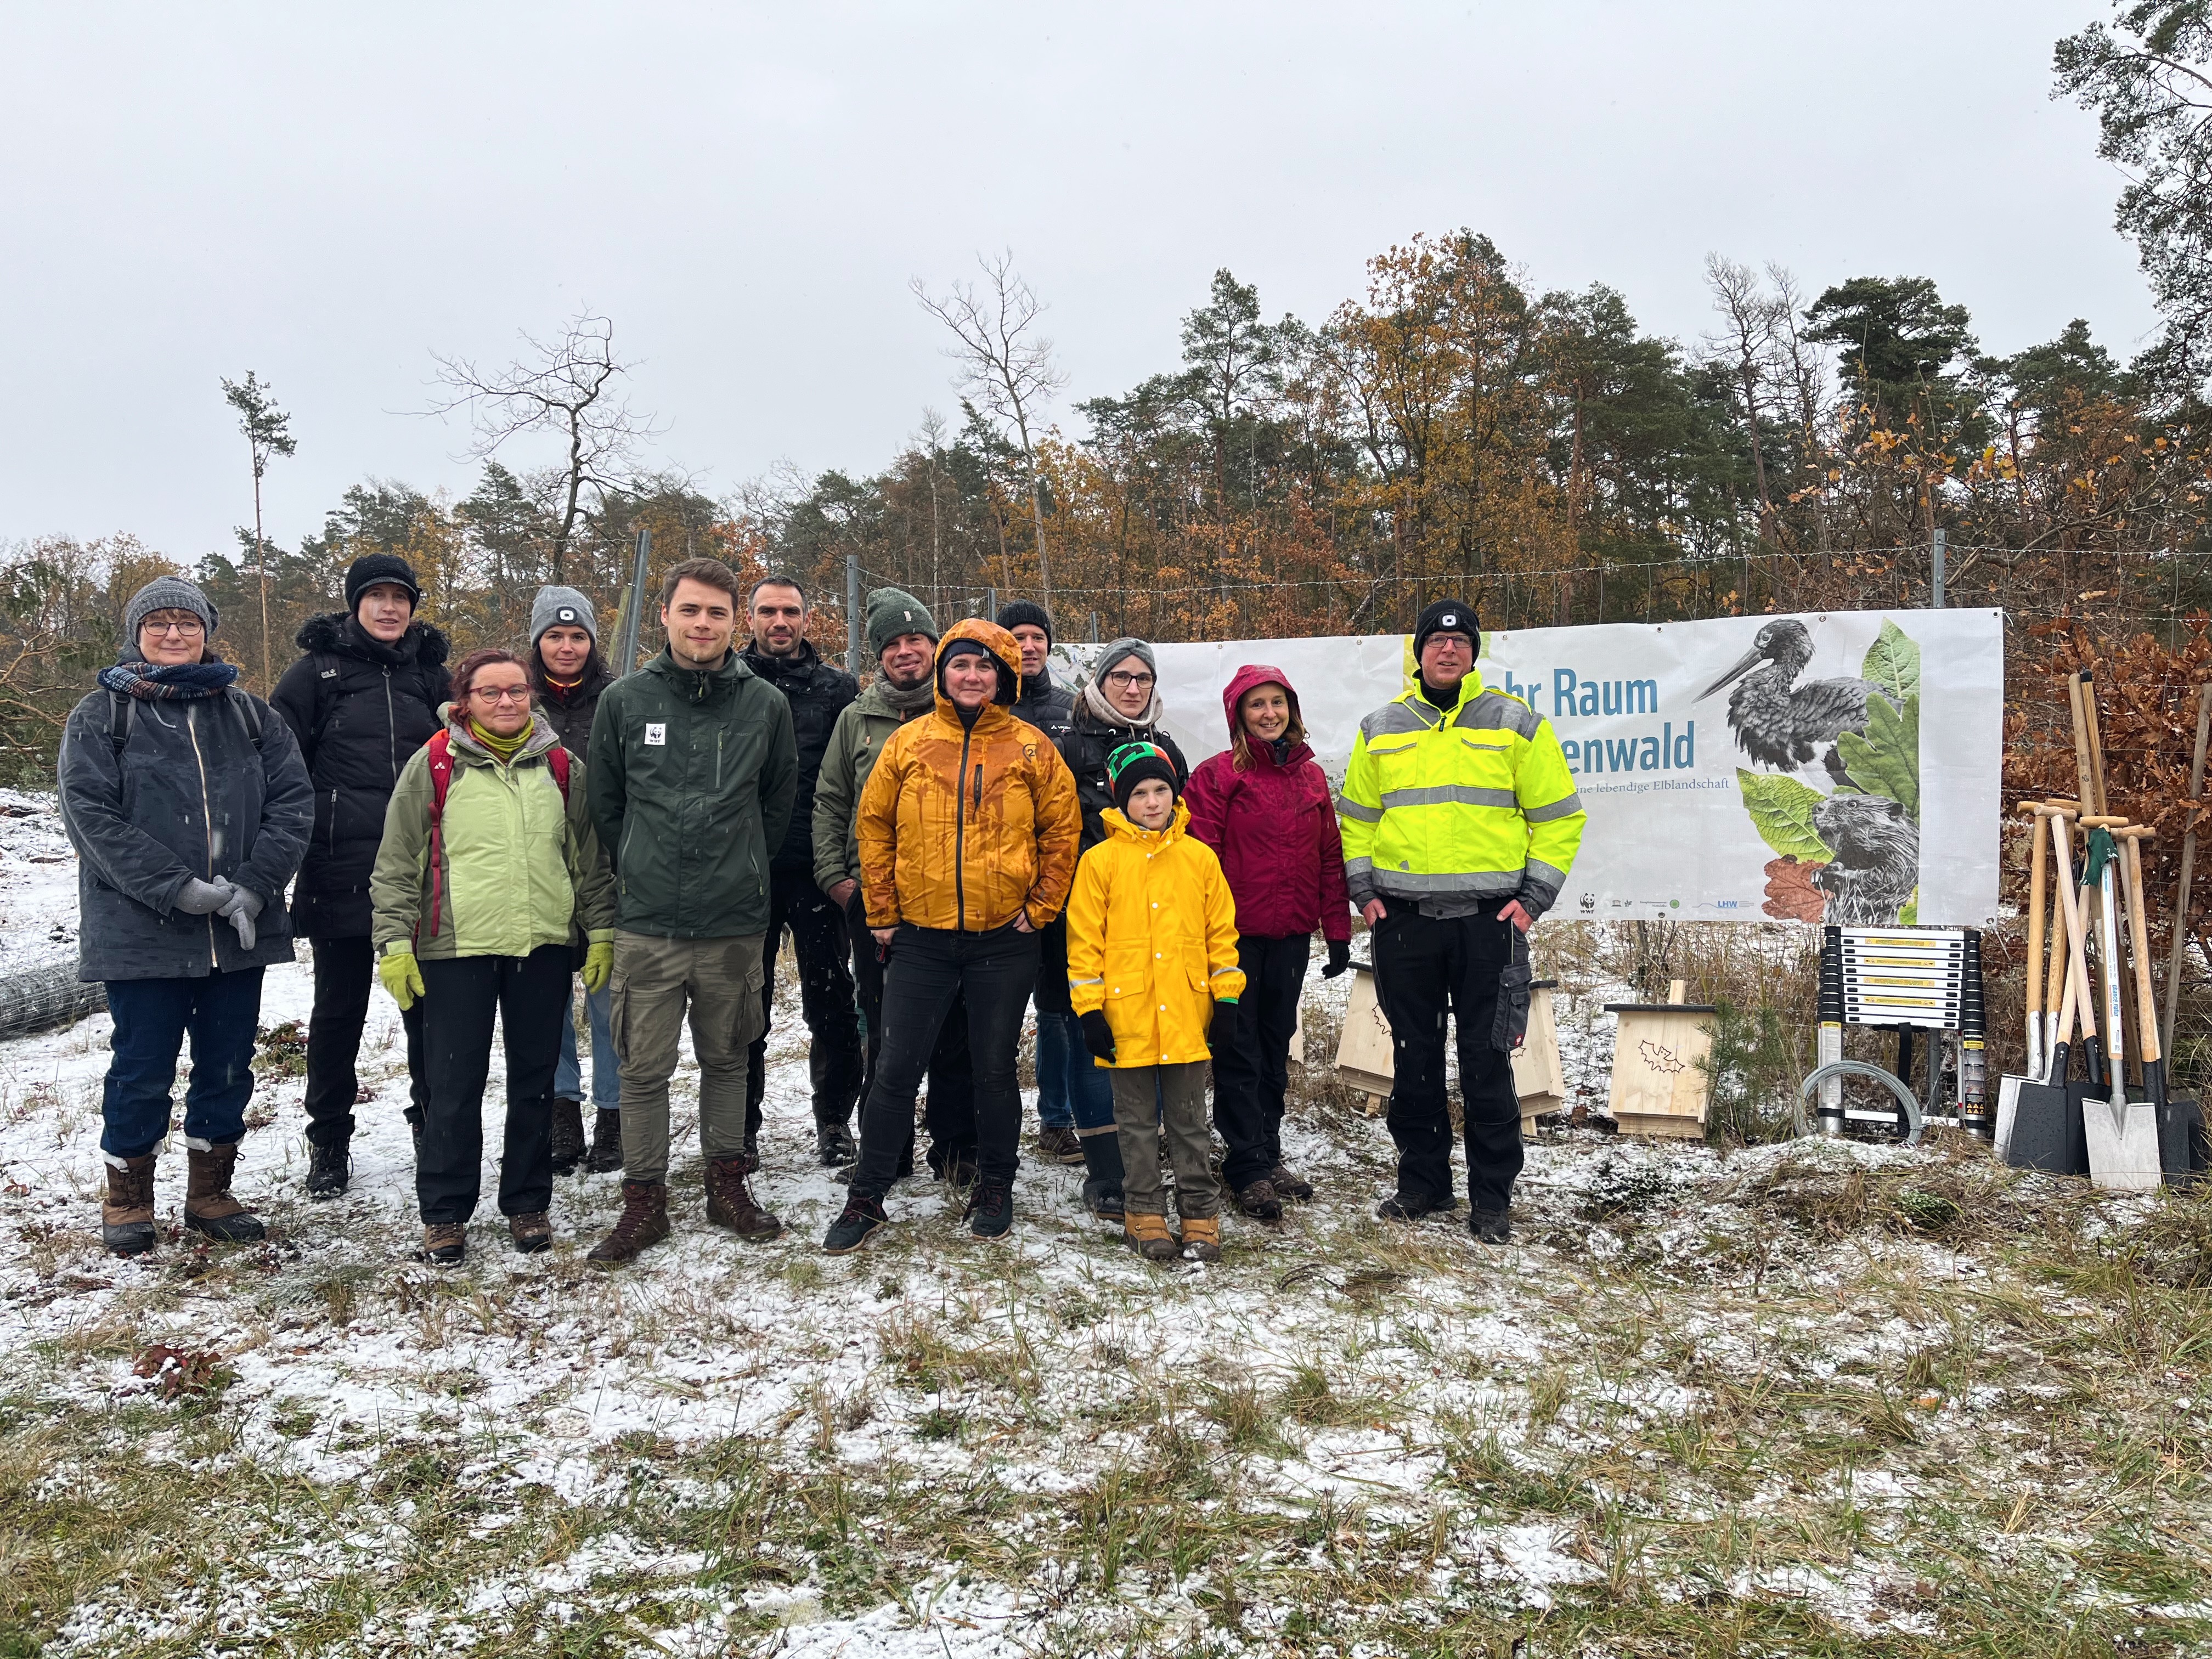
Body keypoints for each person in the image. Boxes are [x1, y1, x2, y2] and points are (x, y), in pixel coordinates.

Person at [57, 577, 313, 1256]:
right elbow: (92, 819)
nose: (174, 634)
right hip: (140, 931)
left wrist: (255, 887)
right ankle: (128, 1198)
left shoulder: (253, 716)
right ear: (136, 633)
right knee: (142, 1064)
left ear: (207, 631)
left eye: (187, 622)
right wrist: (178, 889)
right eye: (159, 623)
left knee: (228, 1064)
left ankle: (209, 1193)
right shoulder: (101, 715)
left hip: (238, 931)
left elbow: (294, 804)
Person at [820, 620, 1081, 1254]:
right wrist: (881, 910)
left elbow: (1062, 832)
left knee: (993, 1070)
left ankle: (995, 1185)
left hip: (1003, 941)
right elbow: (873, 827)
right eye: (960, 664)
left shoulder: (1032, 749)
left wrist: (1041, 907)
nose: (972, 676)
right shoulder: (909, 743)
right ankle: (869, 1193)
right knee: (894, 1070)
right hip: (920, 939)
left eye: (986, 666)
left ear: (1005, 676)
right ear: (943, 673)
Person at [1338, 601, 1585, 1243]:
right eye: (1436, 641)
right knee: (1412, 1057)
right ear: (1417, 653)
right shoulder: (1381, 728)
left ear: (1475, 652)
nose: (1447, 651)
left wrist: (1533, 899)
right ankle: (1422, 1184)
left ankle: (1491, 1197)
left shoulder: (1517, 724)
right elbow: (1357, 821)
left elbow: (1560, 819)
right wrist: (1363, 891)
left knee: (1487, 1062)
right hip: (1405, 924)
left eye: (1460, 642)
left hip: (1489, 926)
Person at [582, 557, 798, 1265]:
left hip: (734, 921)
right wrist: (646, 863)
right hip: (649, 921)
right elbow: (607, 806)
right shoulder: (625, 702)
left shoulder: (764, 704)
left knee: (728, 1058)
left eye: (716, 613)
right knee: (643, 1068)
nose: (702, 624)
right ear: (665, 616)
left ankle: (726, 1186)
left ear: (735, 623)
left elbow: (776, 803)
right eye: (690, 611)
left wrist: (740, 865)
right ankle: (644, 1202)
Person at [369, 648, 616, 1266]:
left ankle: (527, 1203)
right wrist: (395, 941)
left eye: (516, 691)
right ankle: (446, 1213)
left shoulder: (562, 766)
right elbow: (398, 861)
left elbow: (588, 858)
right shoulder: (434, 763)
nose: (506, 702)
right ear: (465, 700)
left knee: (535, 1083)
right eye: (490, 693)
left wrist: (602, 930)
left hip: (542, 947)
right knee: (452, 1085)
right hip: (455, 949)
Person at [270, 553, 452, 1199]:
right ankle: (329, 1141)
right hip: (339, 867)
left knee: (426, 1012)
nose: (388, 608)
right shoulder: (315, 674)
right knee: (338, 1013)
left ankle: (432, 1127)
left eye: (400, 597)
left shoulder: (431, 677)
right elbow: (280, 764)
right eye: (375, 596)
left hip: (423, 873)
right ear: (354, 604)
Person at [813, 588, 978, 1183]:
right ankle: (888, 1149)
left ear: (935, 648)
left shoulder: (964, 713)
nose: (907, 652)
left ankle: (957, 1147)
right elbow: (831, 800)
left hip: (950, 896)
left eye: (917, 641)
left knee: (954, 1028)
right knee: (883, 1027)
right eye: (894, 644)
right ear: (879, 655)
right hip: (876, 898)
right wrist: (838, 878)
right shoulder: (857, 718)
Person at [1186, 665, 1353, 1221]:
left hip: (1289, 936)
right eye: (1256, 704)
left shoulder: (1310, 779)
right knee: (1238, 1049)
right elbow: (1200, 862)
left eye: (1276, 702)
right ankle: (1245, 1166)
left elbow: (1330, 857)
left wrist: (1337, 932)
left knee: (1277, 1046)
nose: (1268, 713)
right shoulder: (1216, 777)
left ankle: (1267, 1149)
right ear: (1239, 714)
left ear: (1292, 709)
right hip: (1233, 940)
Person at [1065, 743, 1244, 1262]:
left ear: (1174, 793)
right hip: (1127, 1018)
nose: (1151, 802)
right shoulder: (1099, 863)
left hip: (1189, 1015)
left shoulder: (1200, 858)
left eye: (1160, 790)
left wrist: (1227, 1000)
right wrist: (1091, 1011)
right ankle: (1142, 1210)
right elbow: (1084, 945)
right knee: (1136, 1122)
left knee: (1190, 1119)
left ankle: (1200, 1213)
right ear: (1121, 799)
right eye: (1139, 793)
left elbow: (1221, 936)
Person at [739, 573, 865, 1164]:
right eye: (768, 611)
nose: (780, 622)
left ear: (807, 620)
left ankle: (835, 1121)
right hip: (744, 871)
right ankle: (740, 1127)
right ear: (751, 619)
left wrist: (841, 865)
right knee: (744, 1006)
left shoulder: (839, 689)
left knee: (830, 1000)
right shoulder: (728, 683)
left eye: (790, 611)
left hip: (816, 870)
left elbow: (849, 783)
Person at [994, 600, 1094, 1171]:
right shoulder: (982, 707)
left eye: (1037, 637)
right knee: (993, 1008)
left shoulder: (1071, 711)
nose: (1028, 646)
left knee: (1060, 1007)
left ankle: (1057, 1122)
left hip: (1059, 883)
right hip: (992, 883)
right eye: (1017, 636)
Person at [527, 585, 621, 1177]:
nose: (567, 646)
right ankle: (562, 1111)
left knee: (612, 1002)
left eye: (578, 636)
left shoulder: (617, 701)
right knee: (547, 1004)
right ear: (537, 643)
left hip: (607, 872)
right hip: (536, 875)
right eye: (555, 636)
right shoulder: (515, 702)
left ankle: (615, 1115)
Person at [1063, 637, 1188, 848]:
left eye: (1143, 679)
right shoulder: (1069, 750)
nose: (1133, 689)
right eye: (1121, 677)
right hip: (1090, 878)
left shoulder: (1167, 751)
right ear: (1101, 683)